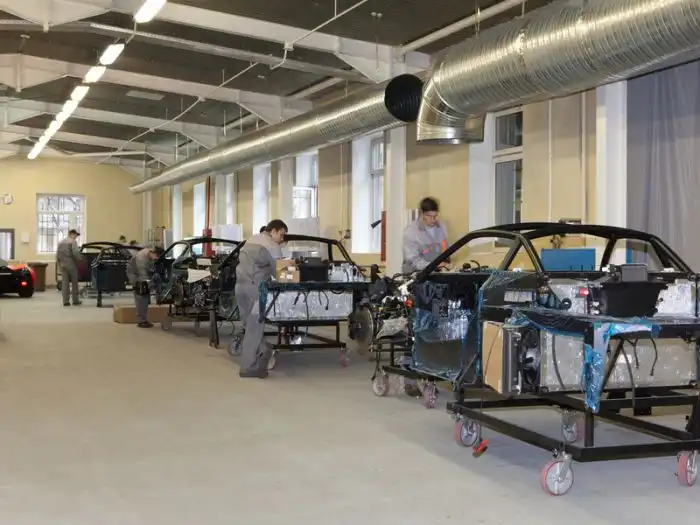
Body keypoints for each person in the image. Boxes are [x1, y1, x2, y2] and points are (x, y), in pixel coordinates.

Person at [401, 197, 450, 397]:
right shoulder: (411, 232)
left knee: (438, 325)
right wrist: (434, 266)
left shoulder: (442, 227)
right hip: (417, 282)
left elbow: (447, 250)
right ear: (422, 214)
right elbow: (413, 260)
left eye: (435, 216)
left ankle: (433, 374)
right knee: (415, 328)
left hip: (438, 284)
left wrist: (446, 264)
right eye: (429, 216)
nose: (433, 220)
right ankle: (410, 378)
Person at [235, 219, 288, 378]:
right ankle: (248, 368)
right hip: (256, 291)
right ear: (273, 231)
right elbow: (282, 272)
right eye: (281, 235)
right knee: (255, 328)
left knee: (249, 326)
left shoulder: (251, 240)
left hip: (240, 288)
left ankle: (263, 353)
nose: (282, 239)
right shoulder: (272, 246)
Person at [126, 245, 165, 328]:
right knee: (141, 296)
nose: (157, 258)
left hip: (142, 274)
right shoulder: (141, 259)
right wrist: (152, 287)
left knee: (145, 296)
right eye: (157, 256)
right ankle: (141, 321)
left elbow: (151, 269)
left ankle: (143, 319)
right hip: (135, 275)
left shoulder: (149, 254)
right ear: (153, 253)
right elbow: (144, 276)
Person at [56, 229, 83, 307]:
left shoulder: (61, 242)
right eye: (76, 235)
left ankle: (65, 301)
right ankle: (75, 300)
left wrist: (59, 264)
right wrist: (81, 259)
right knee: (74, 282)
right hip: (71, 265)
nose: (76, 237)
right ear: (72, 234)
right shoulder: (73, 242)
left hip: (62, 265)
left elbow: (57, 255)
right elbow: (75, 253)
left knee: (65, 283)